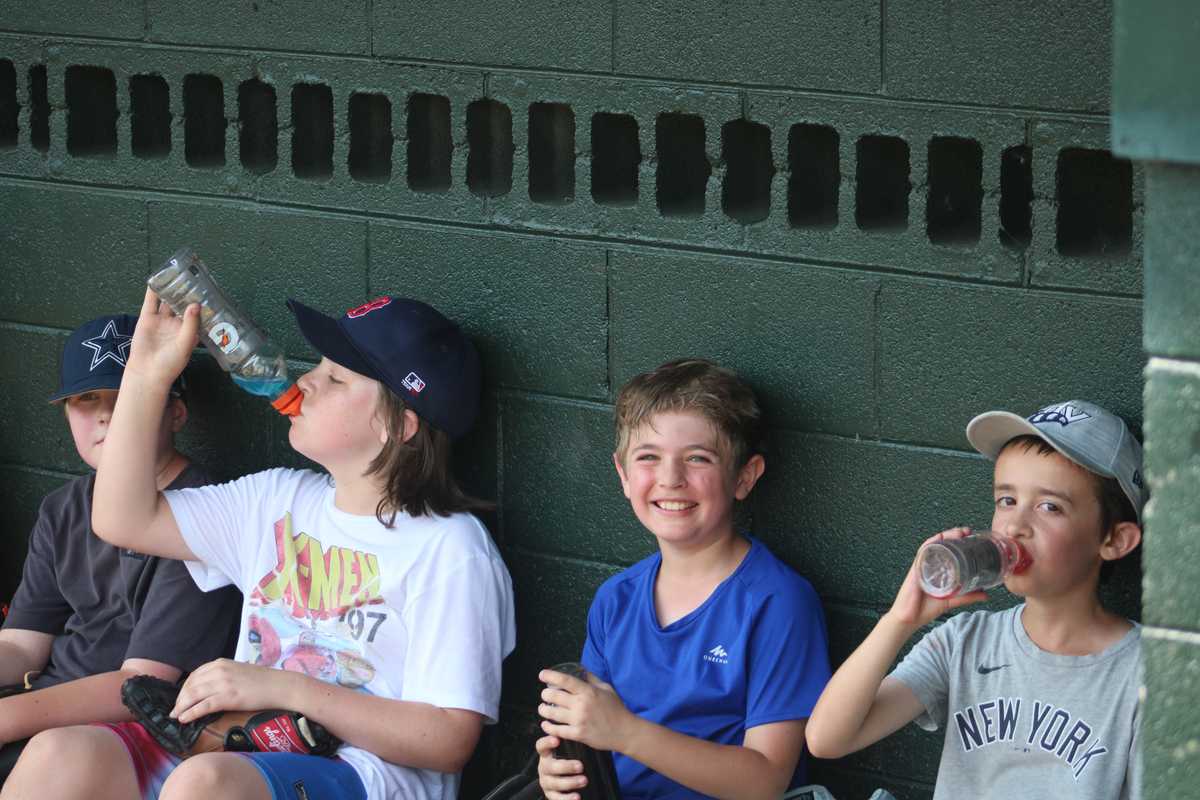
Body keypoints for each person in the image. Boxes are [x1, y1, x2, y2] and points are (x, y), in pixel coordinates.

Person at [2, 292, 515, 800]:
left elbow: (448, 739)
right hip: (236, 741)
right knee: (58, 755)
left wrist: (282, 689)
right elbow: (122, 519)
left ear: (395, 426)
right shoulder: (277, 497)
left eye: (334, 378)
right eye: (317, 366)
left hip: (363, 773)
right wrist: (144, 378)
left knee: (204, 786)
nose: (306, 382)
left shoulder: (451, 548)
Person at [805, 400, 1145, 800]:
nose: (1016, 525)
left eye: (1050, 507)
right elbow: (826, 738)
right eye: (1007, 500)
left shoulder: (1145, 673)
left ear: (1114, 540)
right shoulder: (964, 640)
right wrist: (900, 620)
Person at [535, 358, 832, 800]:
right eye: (648, 458)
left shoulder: (777, 601)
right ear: (623, 474)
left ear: (744, 476)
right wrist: (560, 770)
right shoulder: (616, 599)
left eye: (697, 459)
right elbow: (595, 737)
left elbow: (766, 779)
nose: (671, 479)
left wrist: (626, 733)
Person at [0, 313, 241, 785]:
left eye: (127, 395)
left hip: (121, 736)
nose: (107, 414)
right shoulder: (63, 507)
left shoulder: (202, 516)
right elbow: (20, 644)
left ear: (176, 412)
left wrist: (7, 718)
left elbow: (141, 686)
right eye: (86, 399)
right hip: (39, 708)